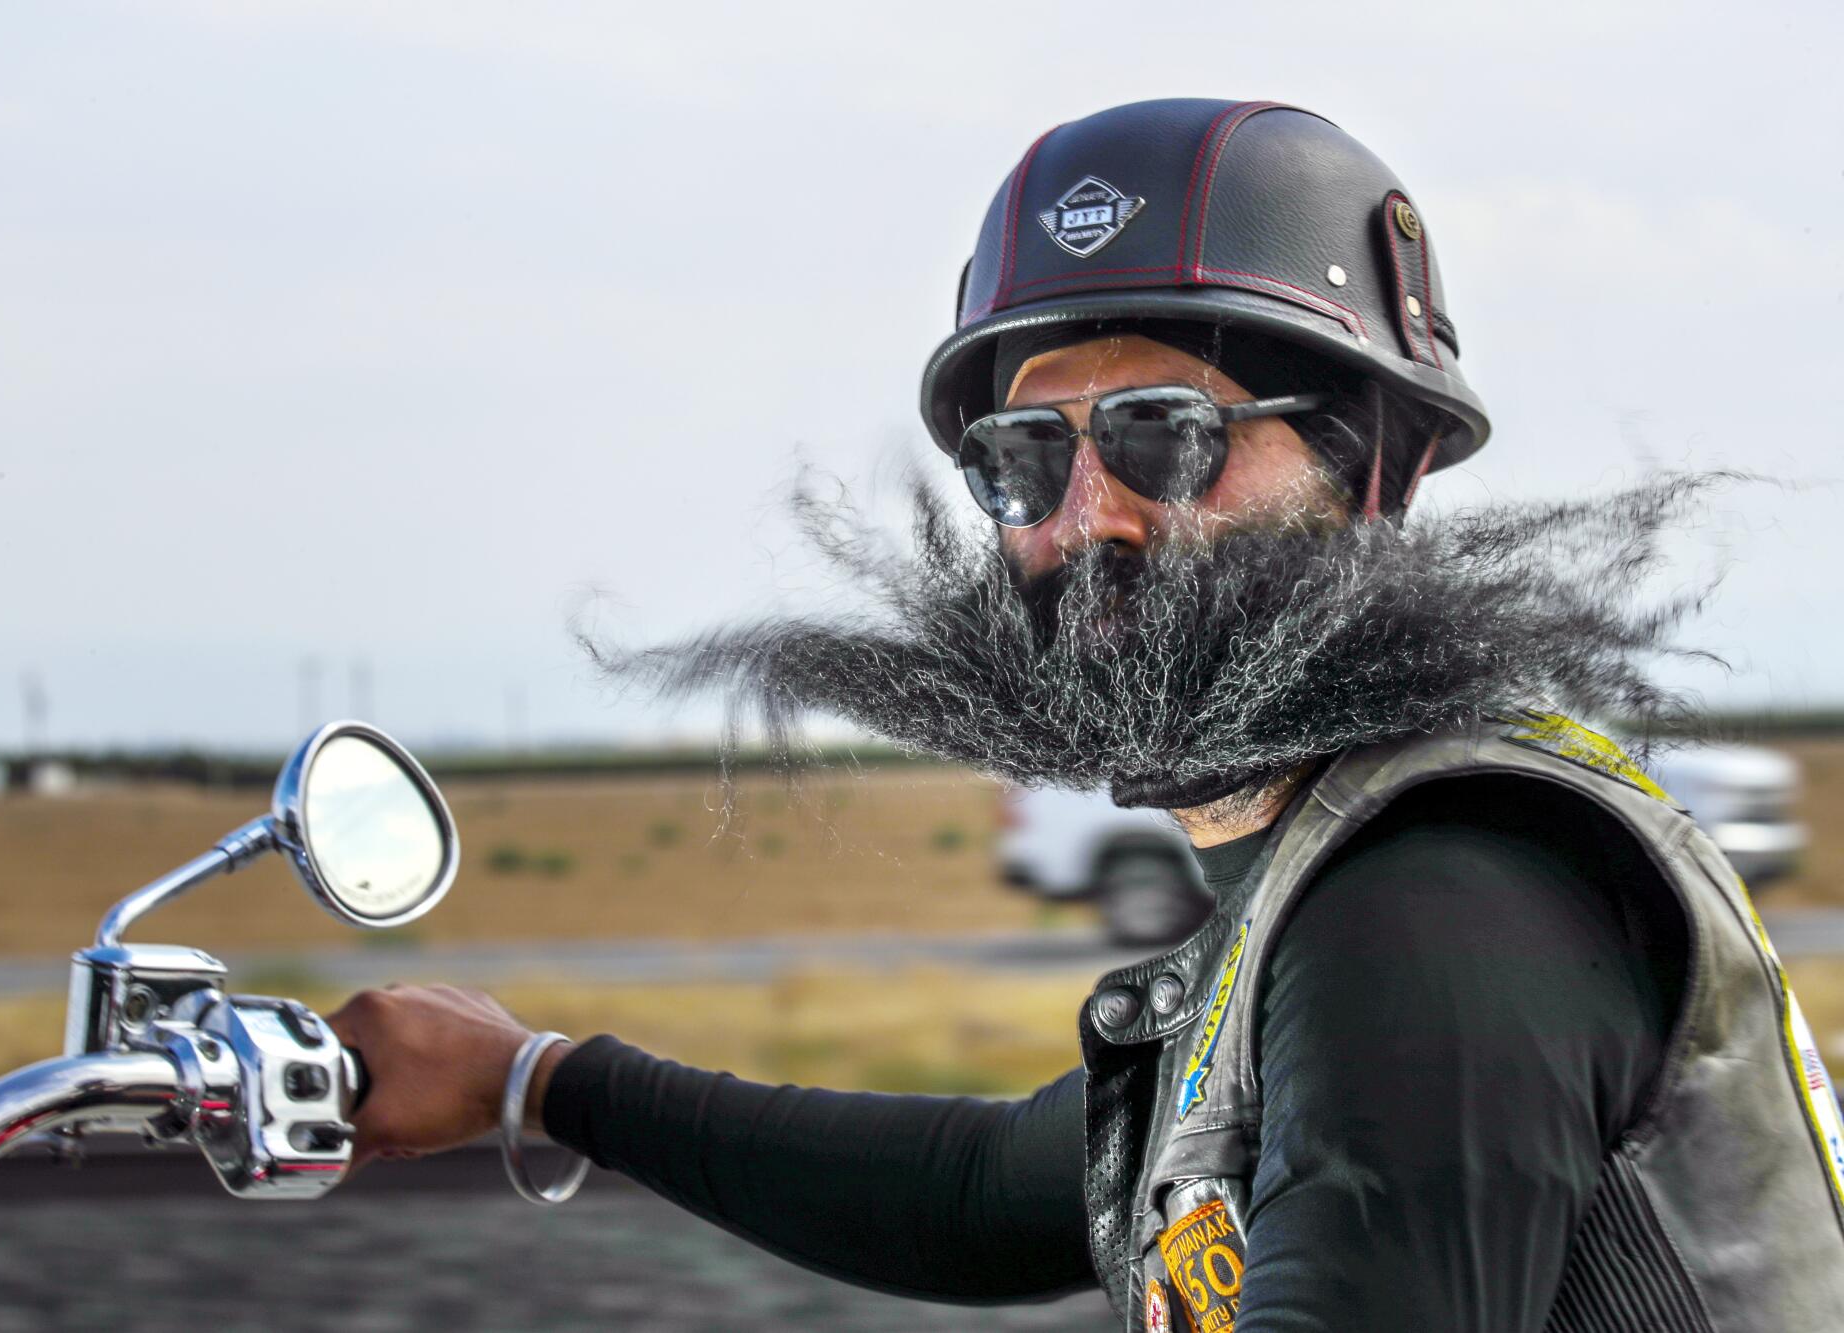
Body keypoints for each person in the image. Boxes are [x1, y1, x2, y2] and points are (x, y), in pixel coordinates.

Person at [329, 100, 1844, 1330]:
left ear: (1371, 469)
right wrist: (540, 1078)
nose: (1089, 515)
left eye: (1165, 435)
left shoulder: (1443, 888)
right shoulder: (1314, 861)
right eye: (1023, 462)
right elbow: (994, 1188)